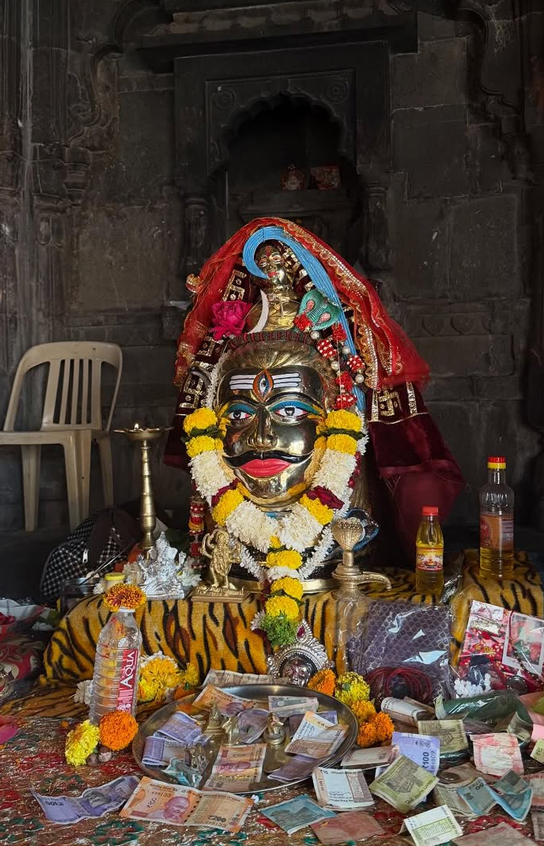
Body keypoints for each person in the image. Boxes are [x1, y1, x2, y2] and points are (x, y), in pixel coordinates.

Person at [167, 217, 463, 583]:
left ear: (342, 420)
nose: (261, 437)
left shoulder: (343, 432)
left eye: (290, 410)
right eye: (240, 412)